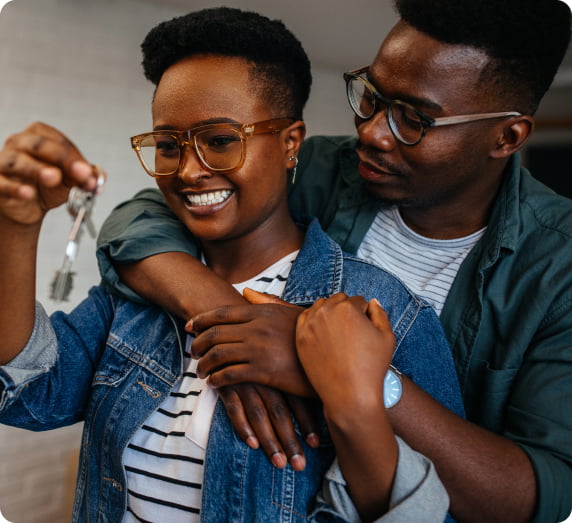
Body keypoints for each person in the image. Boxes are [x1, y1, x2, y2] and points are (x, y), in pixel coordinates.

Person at [93, 0, 572, 522]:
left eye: (412, 118)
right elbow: (137, 219)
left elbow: (538, 498)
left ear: (507, 137)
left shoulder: (558, 266)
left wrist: (350, 375)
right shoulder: (324, 169)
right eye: (371, 95)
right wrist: (227, 314)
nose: (371, 131)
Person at [0, 7, 467, 523]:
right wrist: (16, 227)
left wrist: (350, 397)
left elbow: (433, 510)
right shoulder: (134, 296)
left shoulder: (387, 313)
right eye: (168, 145)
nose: (189, 171)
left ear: (291, 143)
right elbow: (30, 390)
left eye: (220, 140)